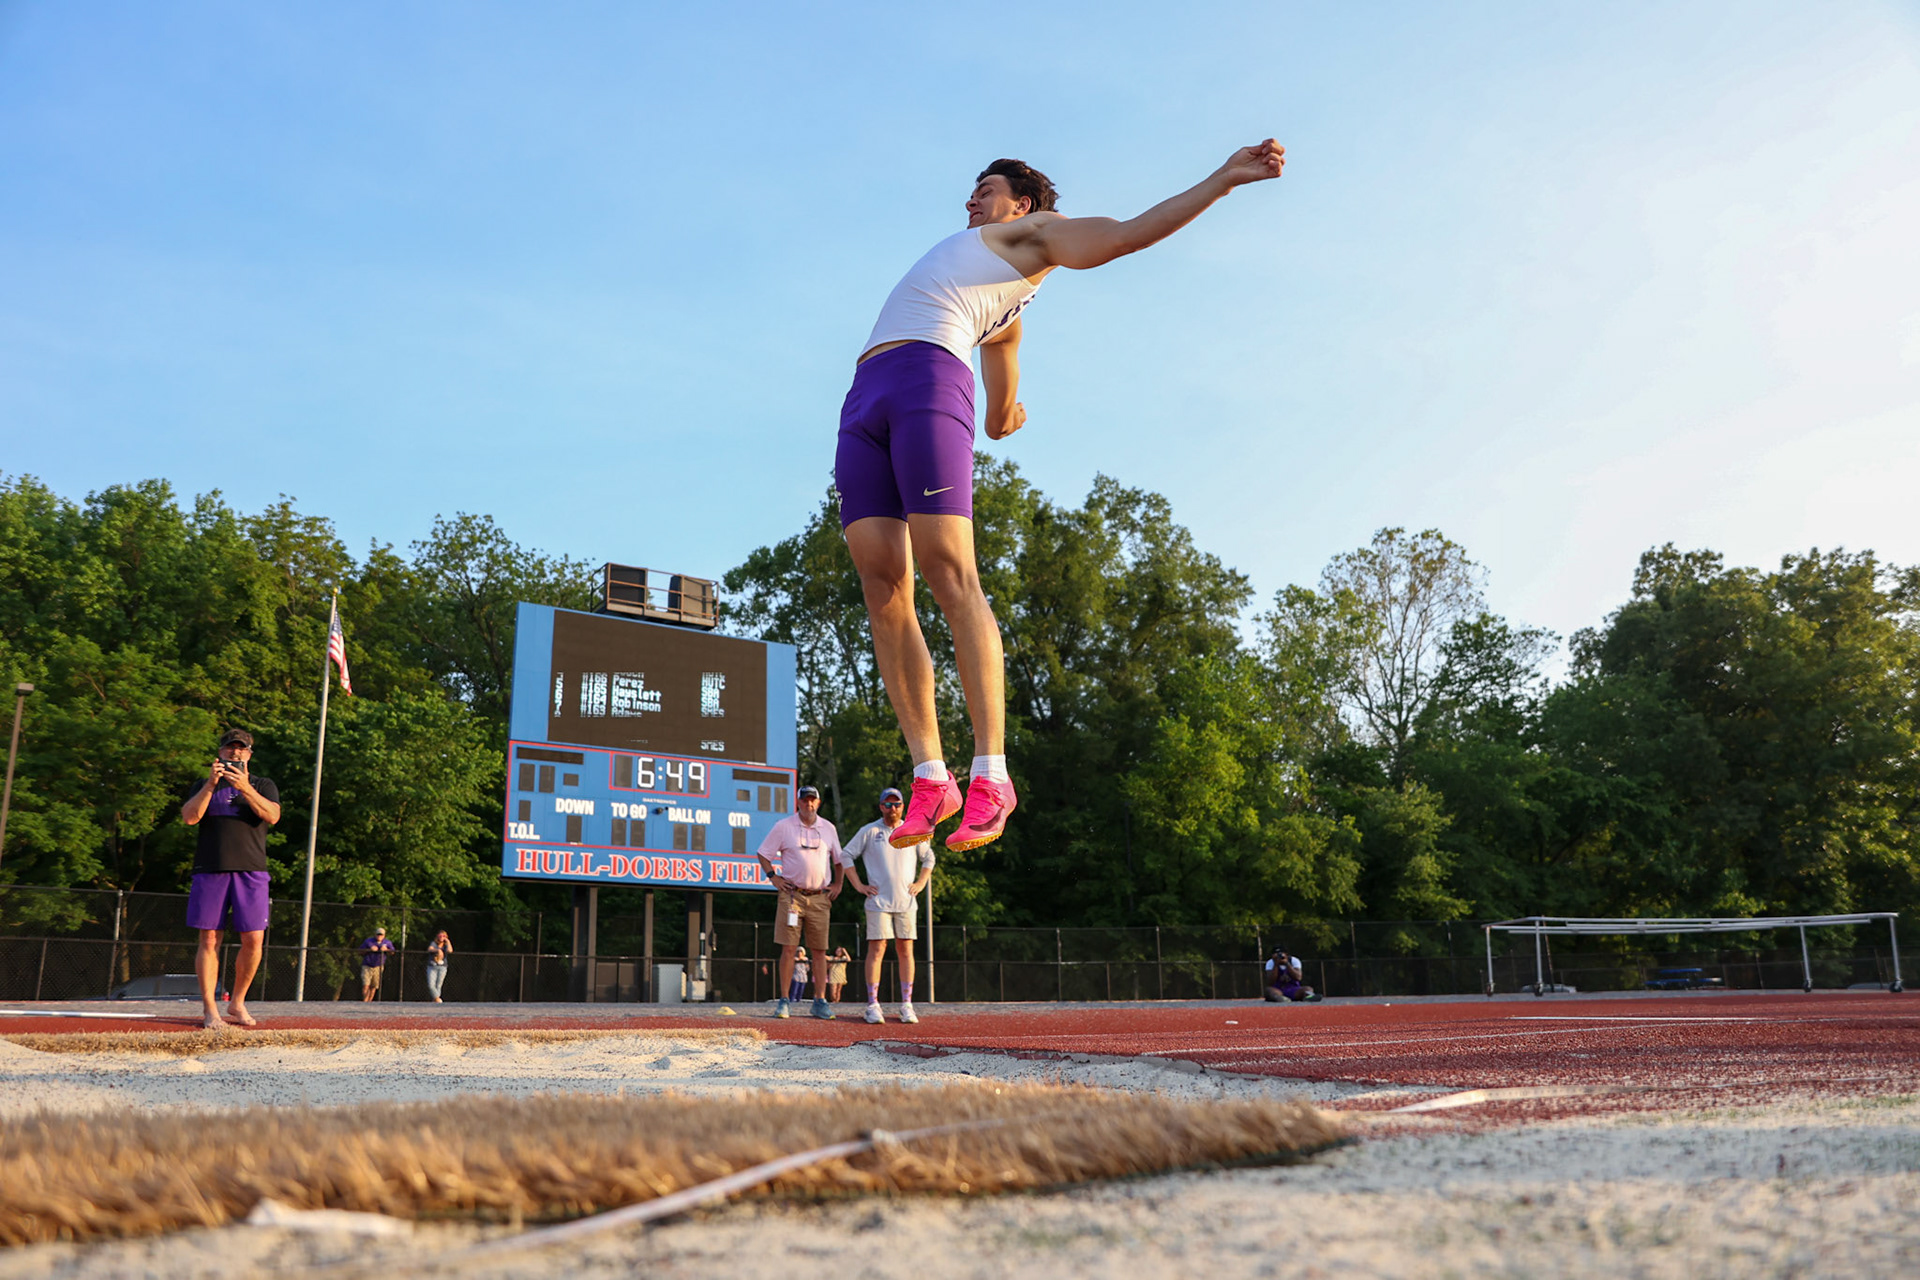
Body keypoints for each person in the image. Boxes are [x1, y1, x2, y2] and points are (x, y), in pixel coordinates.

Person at [837, 141, 1287, 857]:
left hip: (925, 378)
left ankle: (991, 775)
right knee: (882, 587)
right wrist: (1001, 414)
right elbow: (1004, 359)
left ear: (1023, 205)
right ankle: (931, 775)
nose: (970, 201)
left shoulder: (1037, 235)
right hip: (866, 398)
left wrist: (1223, 181)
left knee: (950, 573)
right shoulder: (1002, 289)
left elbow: (1125, 235)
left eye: (983, 189)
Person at [180, 727, 281, 1030]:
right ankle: (210, 1010)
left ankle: (237, 1002)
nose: (235, 753)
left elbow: (273, 816)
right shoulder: (203, 784)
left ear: (249, 754)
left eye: (241, 749)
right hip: (210, 870)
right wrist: (211, 784)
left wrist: (246, 787)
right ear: (220, 752)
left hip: (252, 871)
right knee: (209, 938)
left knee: (253, 939)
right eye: (229, 749)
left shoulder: (263, 784)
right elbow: (189, 817)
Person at [753, 784, 850, 1019]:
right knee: (788, 949)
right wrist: (773, 878)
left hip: (819, 896)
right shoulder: (784, 826)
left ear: (818, 803)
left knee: (819, 951)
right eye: (804, 800)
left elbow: (840, 859)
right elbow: (763, 854)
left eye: (812, 800)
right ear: (798, 802)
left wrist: (838, 884)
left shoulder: (828, 828)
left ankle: (819, 1000)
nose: (808, 804)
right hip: (792, 896)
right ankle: (784, 1001)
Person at [843, 785, 935, 1024]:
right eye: (887, 804)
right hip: (878, 902)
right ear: (880, 806)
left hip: (906, 901)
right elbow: (845, 855)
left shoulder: (912, 830)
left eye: (896, 804)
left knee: (906, 950)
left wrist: (921, 882)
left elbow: (929, 857)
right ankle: (873, 1004)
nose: (892, 808)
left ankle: (906, 1004)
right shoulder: (870, 831)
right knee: (878, 949)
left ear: (903, 806)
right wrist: (859, 886)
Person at [358, 926, 395, 1001]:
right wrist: (369, 950)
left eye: (381, 934)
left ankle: (370, 1000)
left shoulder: (387, 942)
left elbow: (393, 952)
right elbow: (359, 951)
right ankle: (365, 1001)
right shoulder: (369, 941)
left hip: (378, 966)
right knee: (366, 984)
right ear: (375, 934)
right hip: (367, 965)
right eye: (378, 934)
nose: (379, 936)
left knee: (374, 985)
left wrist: (386, 950)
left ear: (384, 935)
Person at [425, 930, 453, 1003]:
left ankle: (435, 1000)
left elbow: (450, 951)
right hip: (432, 966)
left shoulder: (446, 945)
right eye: (440, 936)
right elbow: (429, 949)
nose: (441, 937)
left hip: (442, 967)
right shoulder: (434, 943)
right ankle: (437, 999)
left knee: (438, 985)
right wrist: (438, 950)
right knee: (431, 985)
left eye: (443, 936)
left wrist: (448, 942)